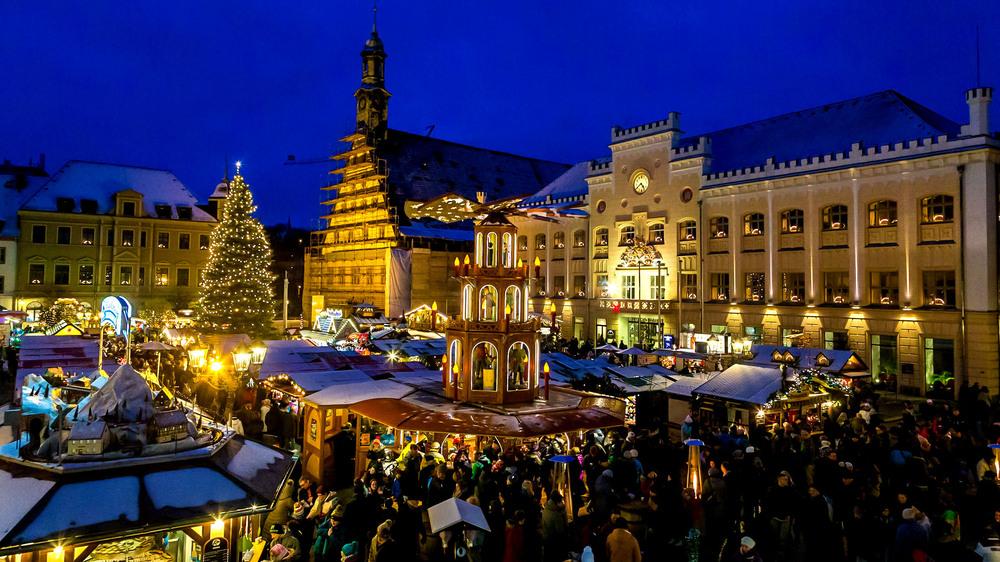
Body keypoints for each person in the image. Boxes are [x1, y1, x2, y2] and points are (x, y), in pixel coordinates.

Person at [541, 490, 568, 562]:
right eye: (561, 502)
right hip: (554, 541)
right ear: (557, 502)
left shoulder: (546, 508)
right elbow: (560, 531)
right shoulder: (556, 515)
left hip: (545, 538)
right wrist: (563, 510)